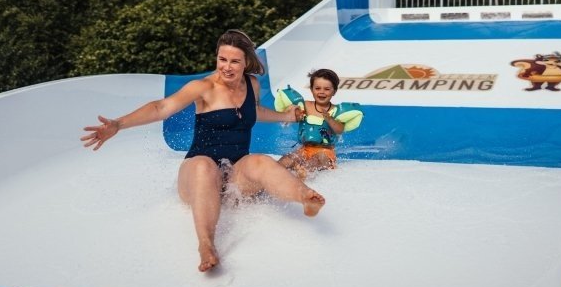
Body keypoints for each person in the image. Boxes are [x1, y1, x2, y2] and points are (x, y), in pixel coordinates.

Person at [80, 29, 325, 273]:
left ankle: (305, 197)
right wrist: (118, 124)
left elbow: (254, 111)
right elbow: (160, 107)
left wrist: (285, 116)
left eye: (234, 61)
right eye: (222, 59)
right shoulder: (203, 87)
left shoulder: (251, 84)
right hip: (198, 174)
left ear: (246, 62)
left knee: (260, 160)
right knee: (204, 166)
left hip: (234, 175)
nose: (227, 67)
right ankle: (206, 246)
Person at [277, 69, 362, 180]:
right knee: (288, 158)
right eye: (317, 88)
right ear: (312, 89)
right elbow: (289, 114)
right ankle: (273, 172)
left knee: (317, 160)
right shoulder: (305, 106)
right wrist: (291, 112)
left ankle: (303, 170)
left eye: (327, 89)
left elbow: (339, 130)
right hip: (305, 149)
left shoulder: (336, 111)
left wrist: (329, 118)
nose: (321, 92)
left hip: (325, 152)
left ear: (334, 91)